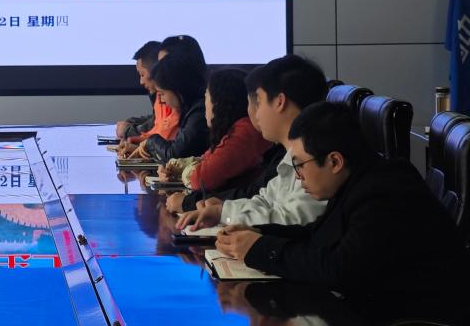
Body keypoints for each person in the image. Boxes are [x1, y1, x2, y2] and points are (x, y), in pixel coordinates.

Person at [215, 102, 470, 315]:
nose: (298, 177)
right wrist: (258, 233)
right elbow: (317, 234)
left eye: (300, 165)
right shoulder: (359, 178)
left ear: (334, 161)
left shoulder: (384, 192)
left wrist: (261, 249)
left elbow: (341, 268)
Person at [177, 54, 328, 231]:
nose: (255, 113)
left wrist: (223, 214)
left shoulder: (316, 156)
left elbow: (294, 218)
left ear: (279, 102)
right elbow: (266, 199)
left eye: (259, 101)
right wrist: (223, 209)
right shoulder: (291, 154)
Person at [159, 68, 268, 192]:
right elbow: (206, 161)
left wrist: (185, 171)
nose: (204, 102)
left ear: (220, 101)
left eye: (206, 95)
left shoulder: (244, 132)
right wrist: (176, 169)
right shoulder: (234, 129)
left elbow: (200, 179)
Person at [128, 51, 208, 163]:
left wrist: (150, 142)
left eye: (162, 94)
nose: (161, 100)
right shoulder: (191, 109)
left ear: (177, 89)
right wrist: (145, 148)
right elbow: (178, 145)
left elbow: (175, 154)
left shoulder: (199, 112)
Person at [115, 40, 162, 139]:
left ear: (156, 71)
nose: (141, 82)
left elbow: (158, 127)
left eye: (142, 75)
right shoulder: (159, 95)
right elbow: (156, 118)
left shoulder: (171, 98)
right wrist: (131, 122)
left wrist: (127, 131)